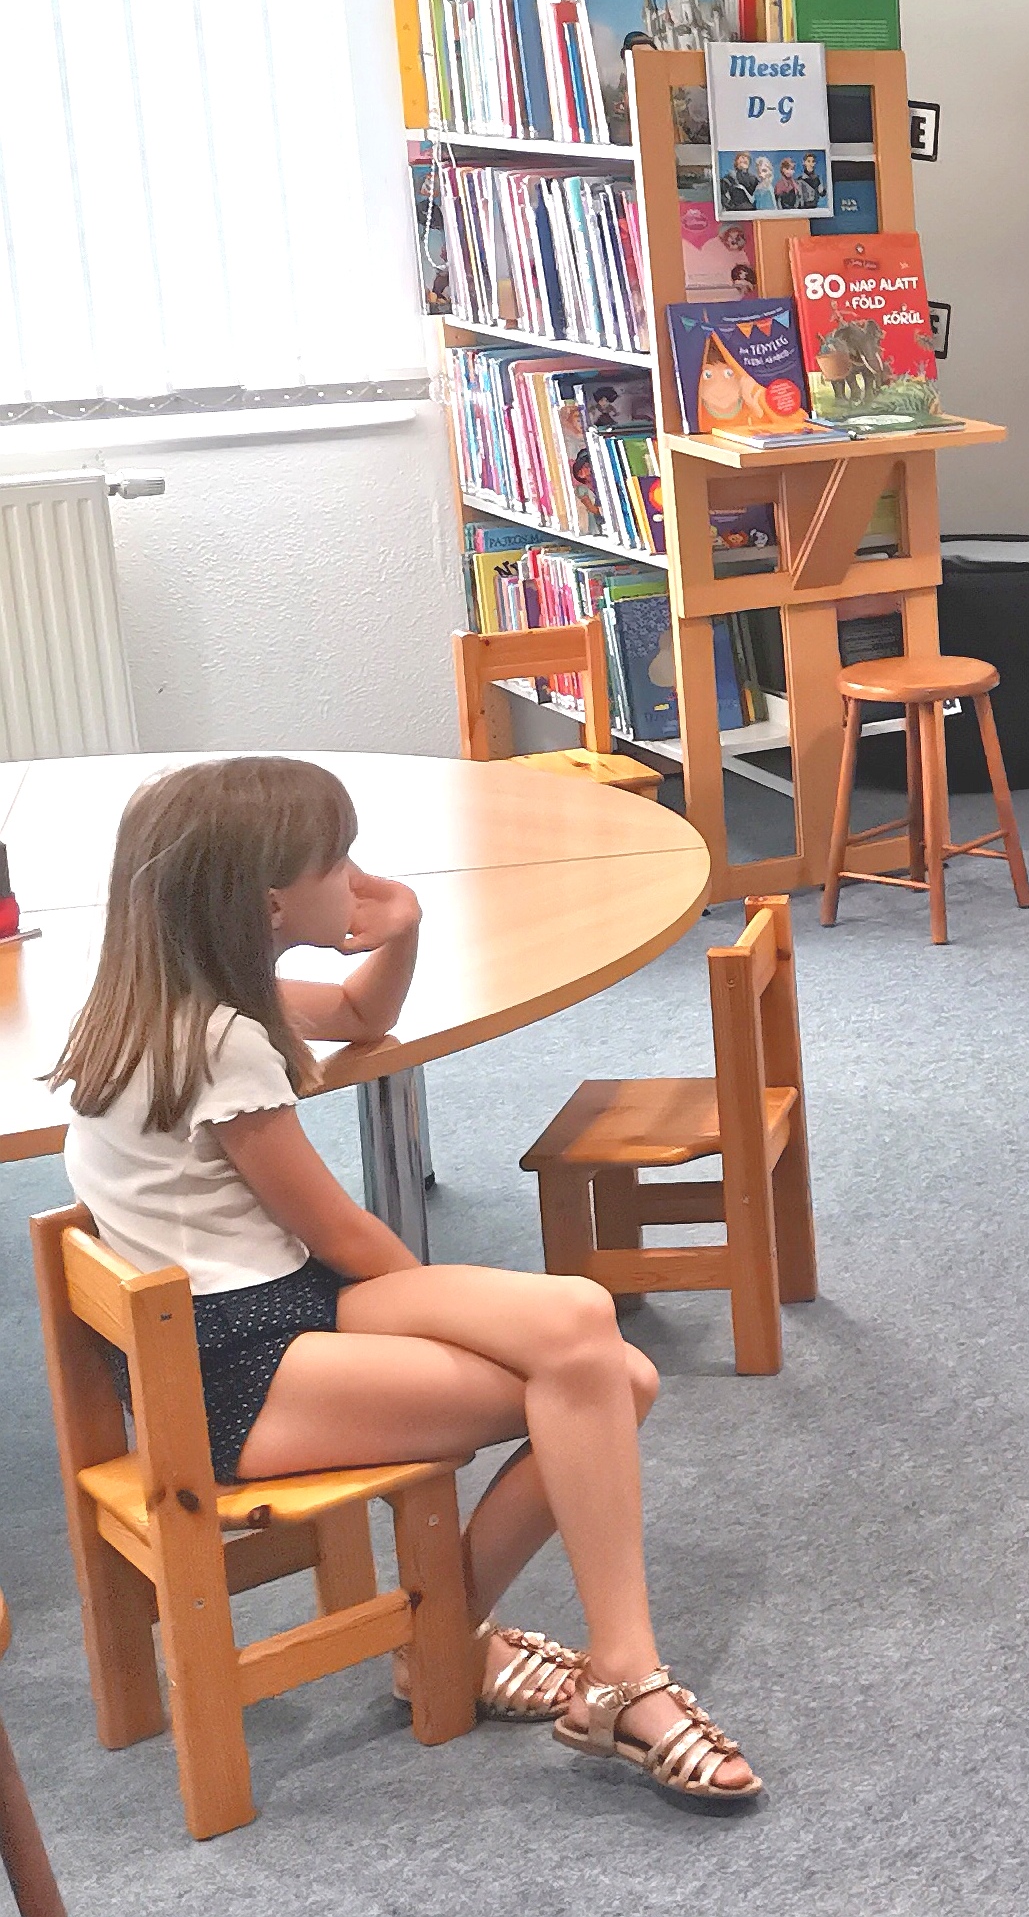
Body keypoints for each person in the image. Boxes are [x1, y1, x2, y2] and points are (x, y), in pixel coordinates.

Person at [50, 758, 760, 1809]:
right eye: (336, 859)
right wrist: (455, 1323)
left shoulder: (166, 1000)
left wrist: (404, 928)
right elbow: (339, 1228)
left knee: (585, 1336)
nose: (357, 876)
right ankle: (612, 1672)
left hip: (255, 1307)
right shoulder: (220, 1046)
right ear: (271, 903)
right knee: (603, 1381)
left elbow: (357, 1013)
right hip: (230, 1368)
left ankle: (477, 1644)